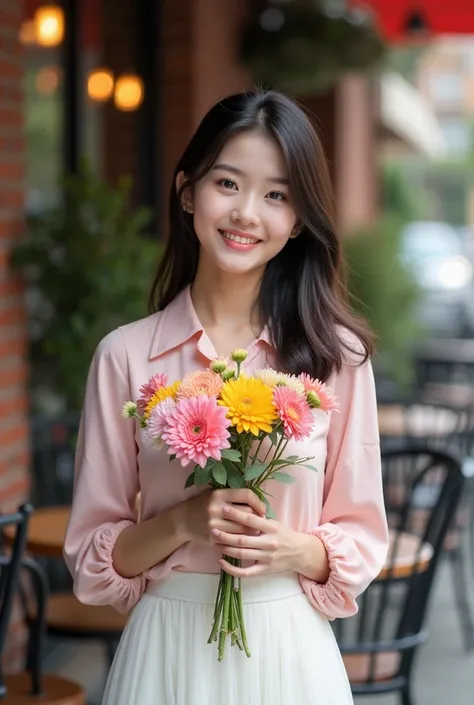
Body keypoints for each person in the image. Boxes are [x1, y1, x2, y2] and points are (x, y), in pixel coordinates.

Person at [64, 89, 389, 705]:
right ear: (188, 191)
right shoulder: (124, 357)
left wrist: (291, 548)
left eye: (276, 195)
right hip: (165, 653)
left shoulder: (337, 359)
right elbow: (91, 563)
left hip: (290, 653)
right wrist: (183, 522)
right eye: (228, 183)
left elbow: (363, 538)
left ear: (297, 221)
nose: (246, 213)